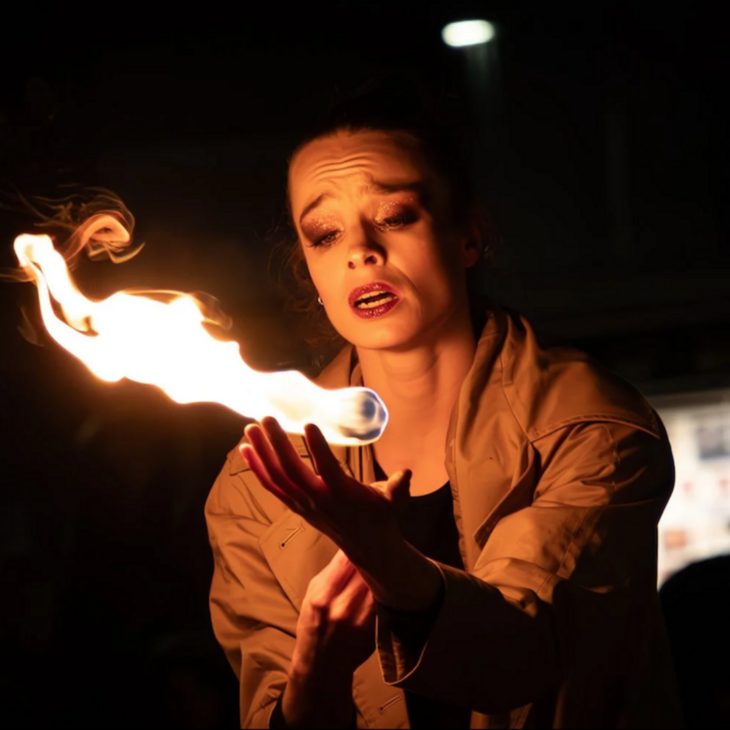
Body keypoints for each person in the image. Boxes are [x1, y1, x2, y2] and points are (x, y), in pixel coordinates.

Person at [204, 78, 683, 729]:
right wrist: (317, 668)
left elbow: (526, 654)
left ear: (468, 235)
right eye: (323, 234)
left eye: (397, 216)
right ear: (310, 272)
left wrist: (387, 560)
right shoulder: (254, 485)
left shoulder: (593, 427)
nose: (360, 251)